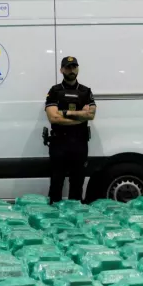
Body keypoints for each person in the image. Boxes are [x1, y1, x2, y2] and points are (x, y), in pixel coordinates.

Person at [45, 56, 96, 204]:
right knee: (56, 183)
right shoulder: (54, 91)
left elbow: (91, 115)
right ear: (61, 70)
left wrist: (65, 113)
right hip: (58, 143)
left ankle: (75, 219)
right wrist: (80, 116)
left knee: (77, 184)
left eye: (74, 66)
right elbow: (53, 118)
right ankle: (54, 219)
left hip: (79, 143)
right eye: (68, 67)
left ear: (78, 69)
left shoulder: (86, 91)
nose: (71, 70)